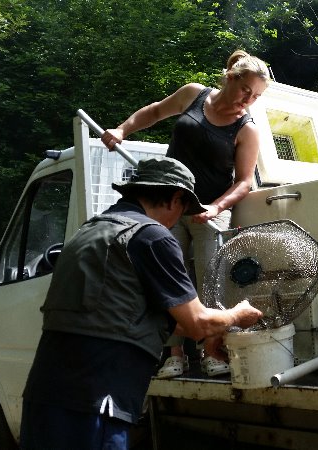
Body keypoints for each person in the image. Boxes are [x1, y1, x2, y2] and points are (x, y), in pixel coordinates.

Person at [20, 157, 263, 450]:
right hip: (96, 400)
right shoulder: (151, 237)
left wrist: (213, 332)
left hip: (44, 394)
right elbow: (197, 322)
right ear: (175, 199)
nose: (179, 220)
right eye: (185, 209)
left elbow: (121, 314)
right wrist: (236, 315)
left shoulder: (88, 231)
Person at [101, 49, 271, 378]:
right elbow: (153, 112)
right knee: (169, 278)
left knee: (211, 281)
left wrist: (216, 207)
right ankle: (174, 353)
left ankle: (211, 351)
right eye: (245, 91)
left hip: (209, 211)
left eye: (256, 97)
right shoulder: (194, 95)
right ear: (230, 78)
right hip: (167, 206)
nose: (248, 101)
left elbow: (245, 182)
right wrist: (122, 130)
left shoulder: (247, 129)